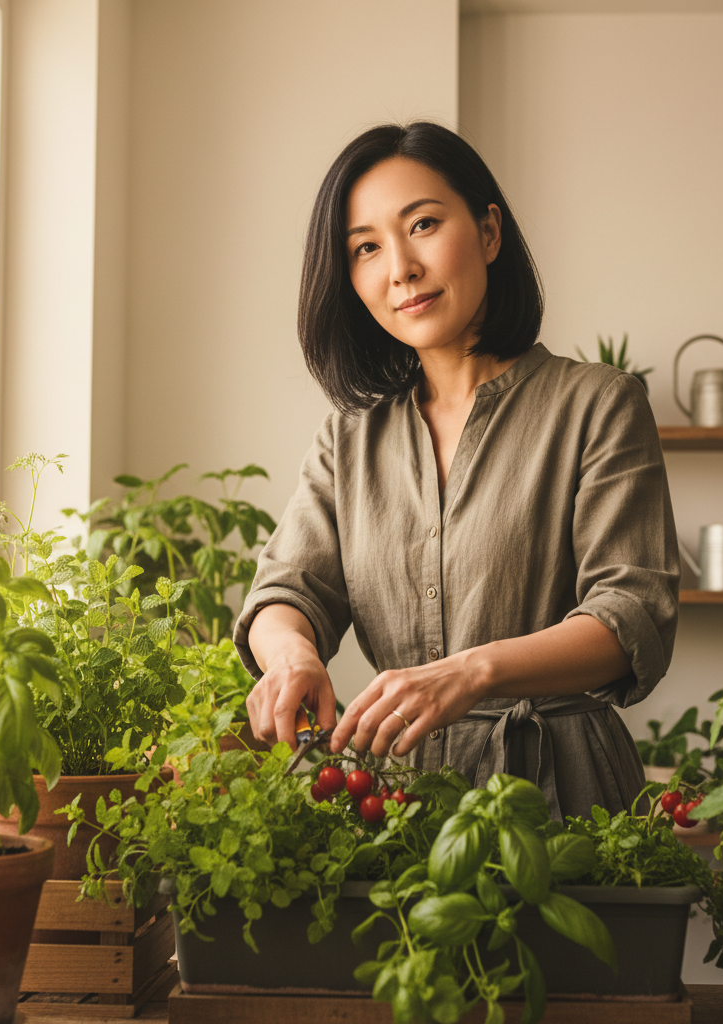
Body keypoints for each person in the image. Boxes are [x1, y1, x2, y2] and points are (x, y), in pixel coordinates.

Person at [232, 122, 679, 820]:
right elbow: (286, 590)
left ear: (489, 232)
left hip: (563, 797)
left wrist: (472, 672)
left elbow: (631, 614)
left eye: (423, 225)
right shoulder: (349, 439)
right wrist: (292, 656)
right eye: (366, 247)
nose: (401, 268)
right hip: (400, 806)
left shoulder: (599, 404)